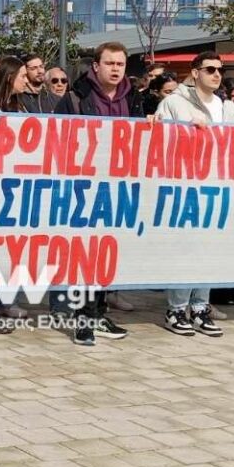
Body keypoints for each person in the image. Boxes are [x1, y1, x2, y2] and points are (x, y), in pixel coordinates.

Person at [55, 41, 138, 343]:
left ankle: (99, 313)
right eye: (109, 63)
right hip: (83, 187)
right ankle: (83, 319)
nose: (115, 69)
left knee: (106, 253)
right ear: (96, 66)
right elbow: (56, 139)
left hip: (118, 187)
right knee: (84, 254)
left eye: (120, 64)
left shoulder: (135, 99)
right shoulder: (76, 97)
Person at [154, 53, 234, 337]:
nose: (217, 74)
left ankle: (200, 307)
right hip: (184, 185)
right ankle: (176, 308)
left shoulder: (226, 107)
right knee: (185, 248)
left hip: (217, 184)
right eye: (210, 69)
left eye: (220, 70)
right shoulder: (174, 102)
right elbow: (159, 140)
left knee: (209, 248)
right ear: (195, 73)